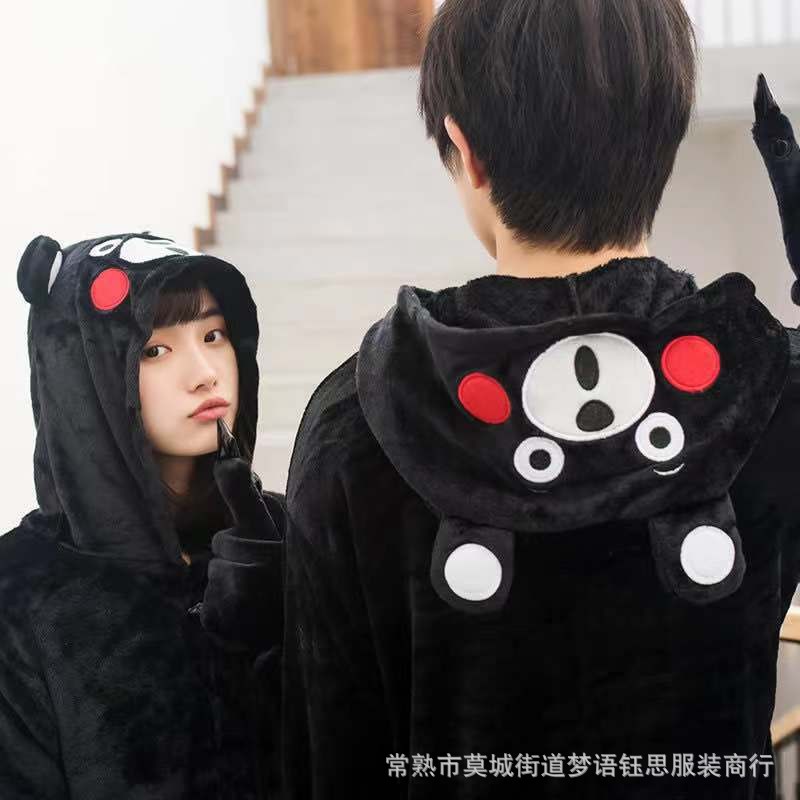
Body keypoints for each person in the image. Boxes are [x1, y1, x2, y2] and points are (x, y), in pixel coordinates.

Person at [206, 2, 800, 798]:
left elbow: (329, 756)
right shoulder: (768, 388)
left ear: (466, 151)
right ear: (667, 134)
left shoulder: (361, 420)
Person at [0, 231, 284, 799]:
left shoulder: (284, 537)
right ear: (82, 374)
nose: (204, 373)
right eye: (154, 350)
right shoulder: (20, 592)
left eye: (213, 335)